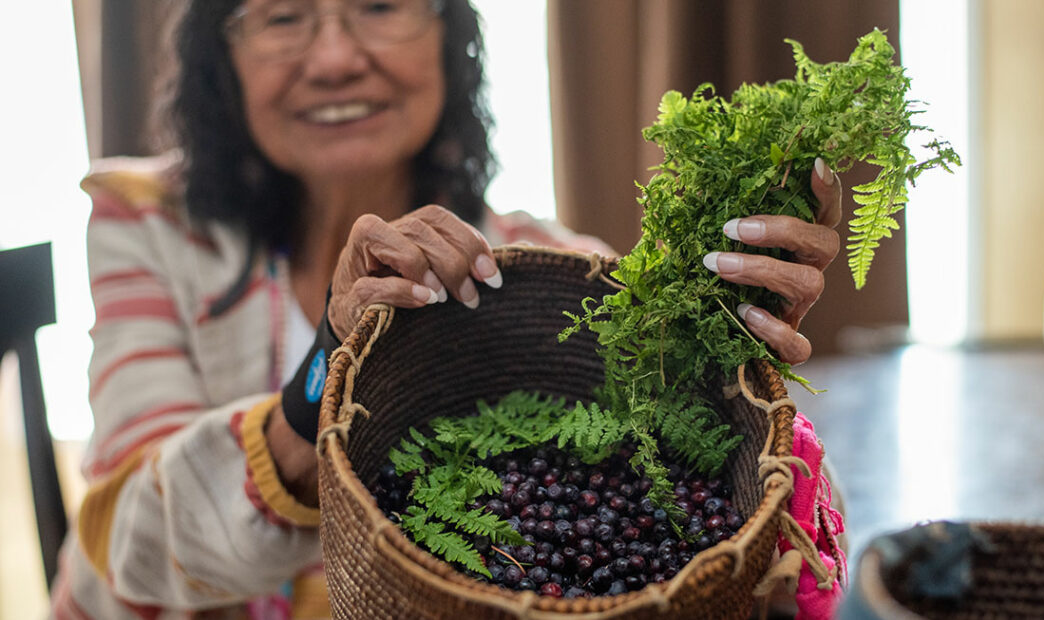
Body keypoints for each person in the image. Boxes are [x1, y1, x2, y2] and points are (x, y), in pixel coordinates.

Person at [50, 0, 843, 617]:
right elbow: (127, 539)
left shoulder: (537, 271)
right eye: (283, 16)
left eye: (382, 7)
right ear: (222, 55)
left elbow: (766, 539)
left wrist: (727, 362)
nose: (333, 59)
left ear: (448, 38)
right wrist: (330, 364)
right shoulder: (148, 222)